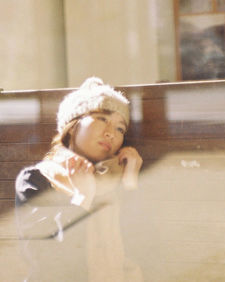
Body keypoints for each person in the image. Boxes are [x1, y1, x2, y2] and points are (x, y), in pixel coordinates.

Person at [15, 77, 143, 281]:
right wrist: (81, 198)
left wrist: (130, 182)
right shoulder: (38, 178)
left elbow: (148, 251)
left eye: (120, 128)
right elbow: (43, 259)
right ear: (73, 126)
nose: (111, 133)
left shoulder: (119, 180)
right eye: (102, 118)